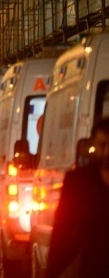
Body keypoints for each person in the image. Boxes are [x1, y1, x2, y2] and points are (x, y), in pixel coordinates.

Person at [45, 118, 109, 277]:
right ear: (93, 144)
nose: (107, 152)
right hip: (88, 269)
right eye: (102, 145)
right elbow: (61, 230)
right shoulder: (77, 182)